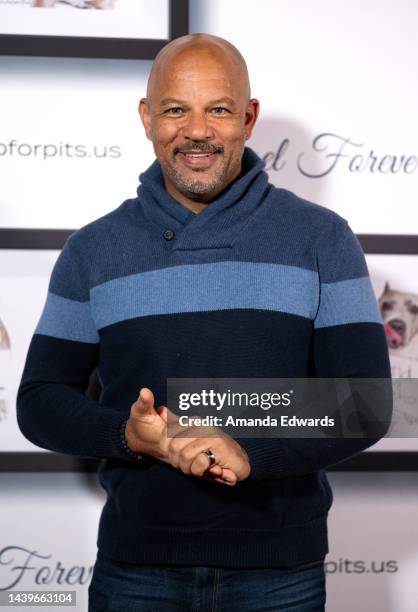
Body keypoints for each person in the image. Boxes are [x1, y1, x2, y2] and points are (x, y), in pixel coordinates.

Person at [17, 33, 391, 612]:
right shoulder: (92, 250)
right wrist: (127, 436)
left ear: (249, 116)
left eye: (218, 109)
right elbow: (39, 399)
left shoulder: (322, 238)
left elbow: (366, 403)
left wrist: (250, 451)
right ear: (147, 118)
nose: (196, 131)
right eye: (175, 110)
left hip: (280, 574)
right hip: (134, 570)